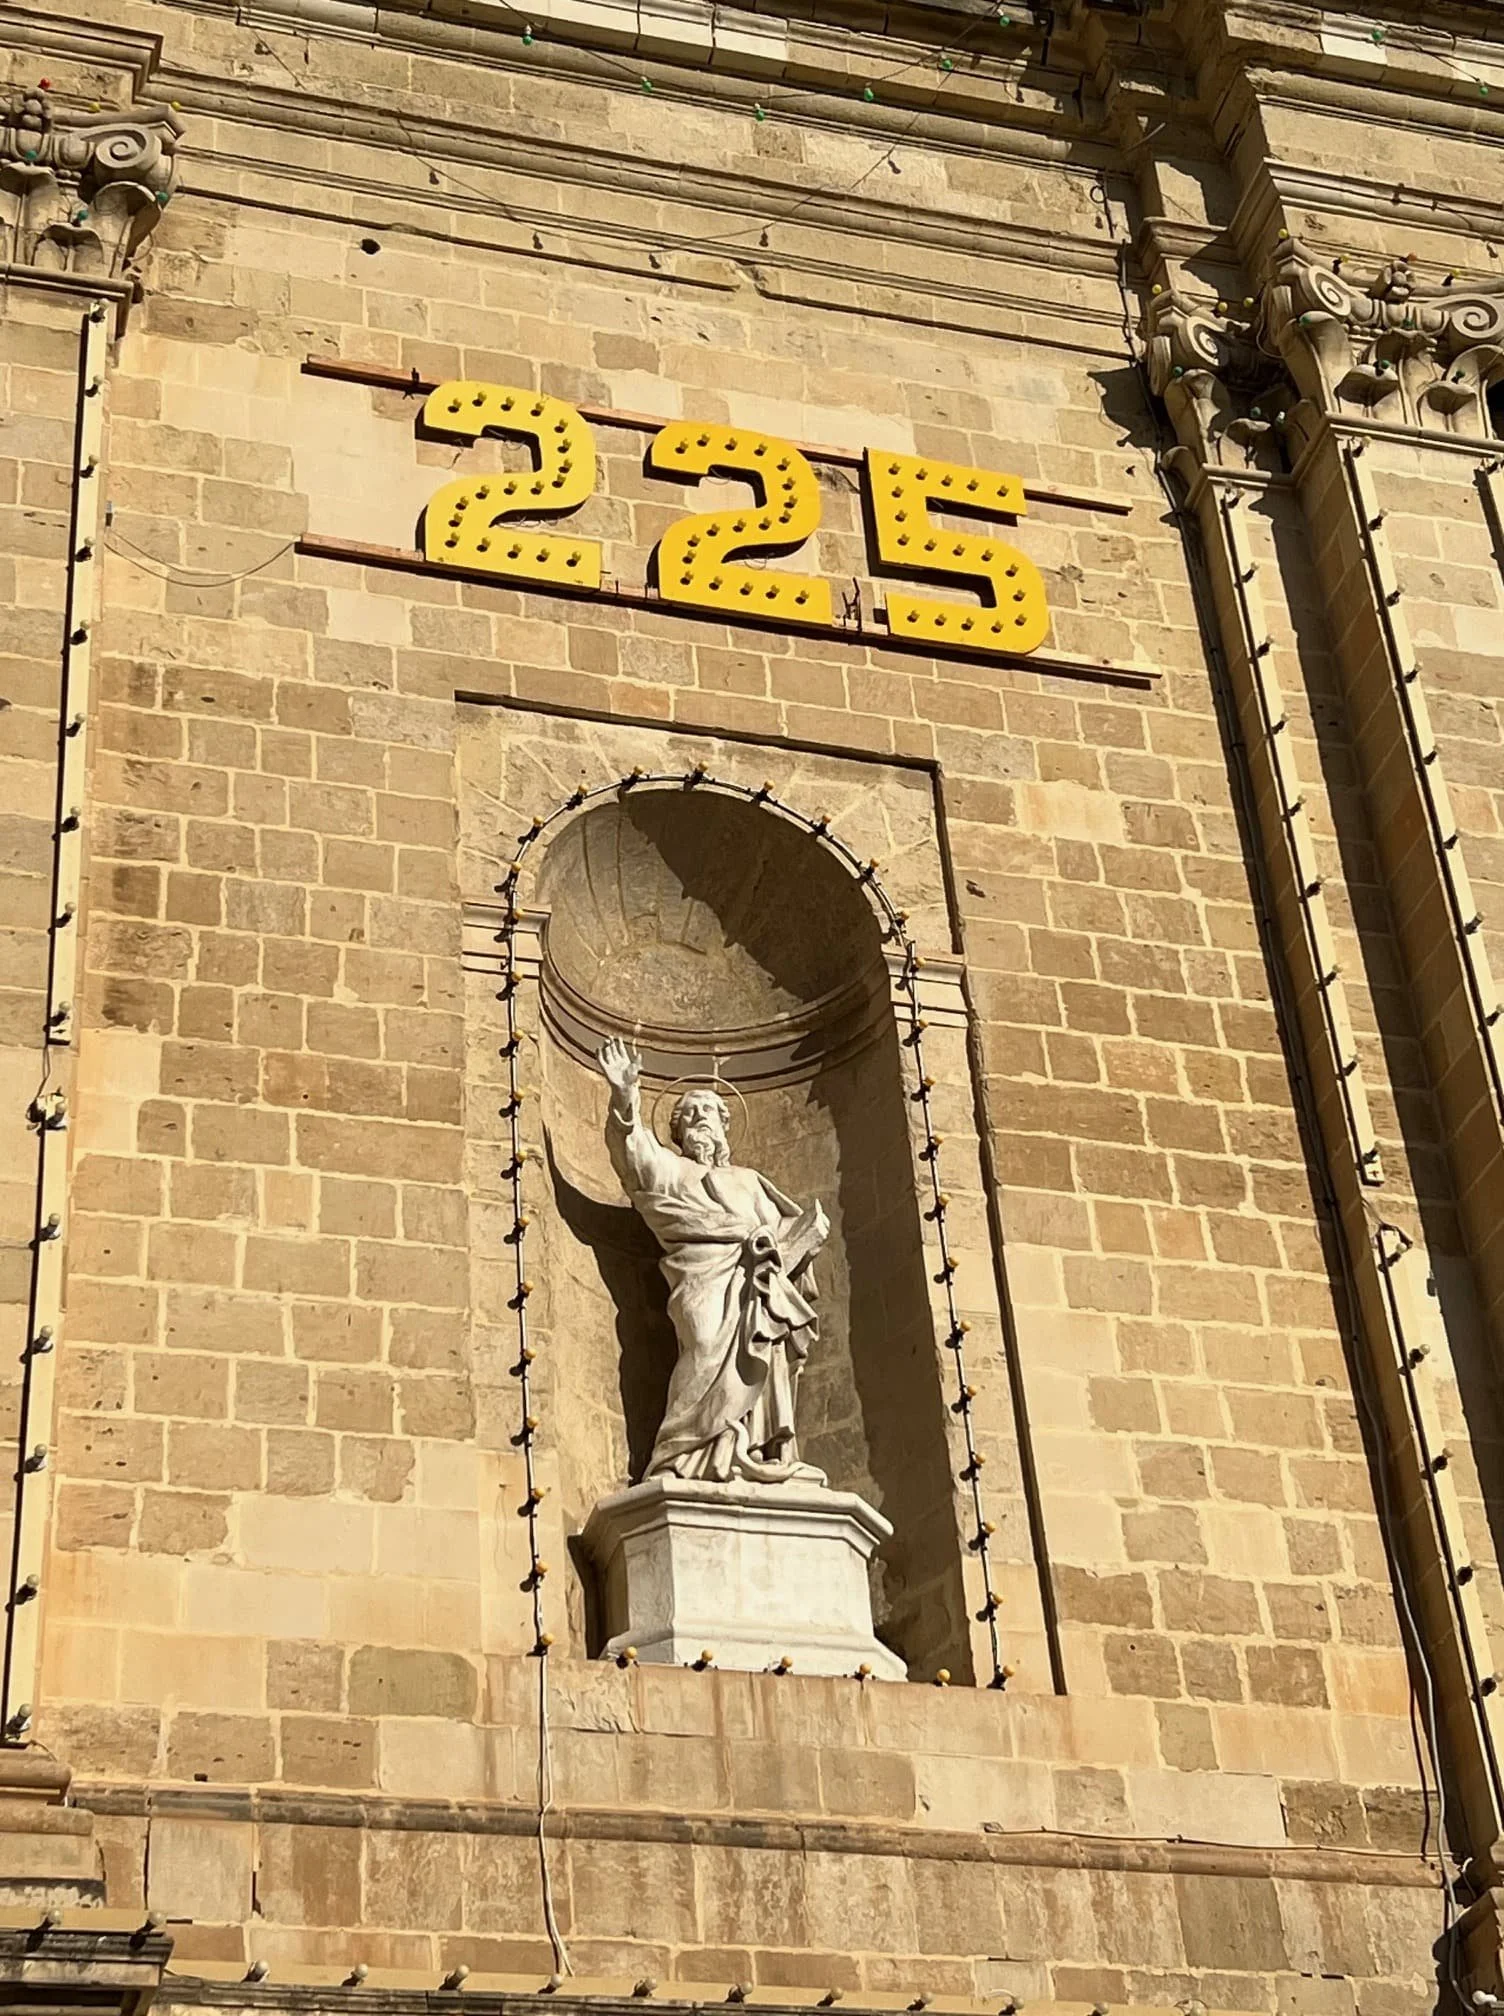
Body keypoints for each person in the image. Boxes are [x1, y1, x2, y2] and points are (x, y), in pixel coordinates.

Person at [597, 1035, 829, 1484]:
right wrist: (625, 1095)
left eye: (709, 1112)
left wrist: (801, 1243)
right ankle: (683, 1455)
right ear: (679, 1131)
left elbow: (784, 1246)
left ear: (725, 1126)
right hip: (701, 1281)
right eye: (690, 1114)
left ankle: (755, 1450)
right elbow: (632, 1156)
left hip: (758, 1293)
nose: (701, 1119)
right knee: (702, 1347)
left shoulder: (752, 1182)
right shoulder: (672, 1171)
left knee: (761, 1354)